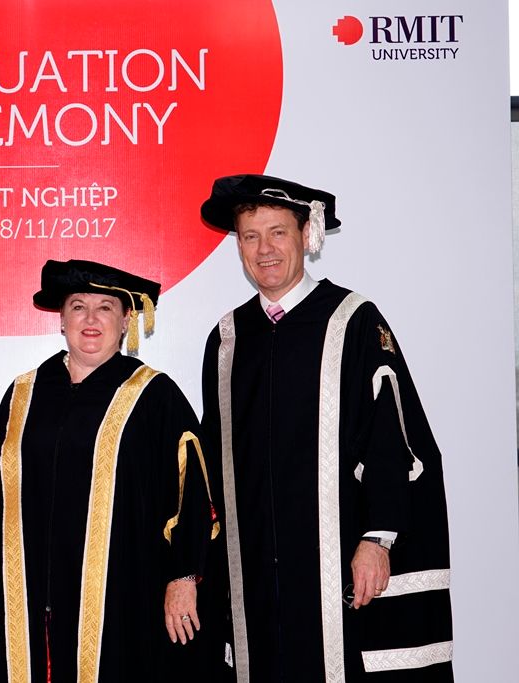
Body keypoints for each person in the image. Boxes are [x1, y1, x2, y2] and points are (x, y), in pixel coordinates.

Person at [199, 174, 454, 681]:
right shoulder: (227, 339)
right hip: (254, 573)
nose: (264, 249)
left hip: (334, 567)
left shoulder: (352, 322)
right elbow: (213, 461)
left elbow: (391, 436)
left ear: (307, 236)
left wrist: (377, 540)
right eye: (250, 236)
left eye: (277, 232)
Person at [0, 259, 221, 682]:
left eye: (105, 307)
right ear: (61, 319)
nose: (90, 319)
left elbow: (194, 495)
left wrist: (184, 576)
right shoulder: (22, 394)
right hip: (29, 598)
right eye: (77, 306)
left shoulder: (154, 396)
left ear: (127, 318)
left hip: (123, 595)